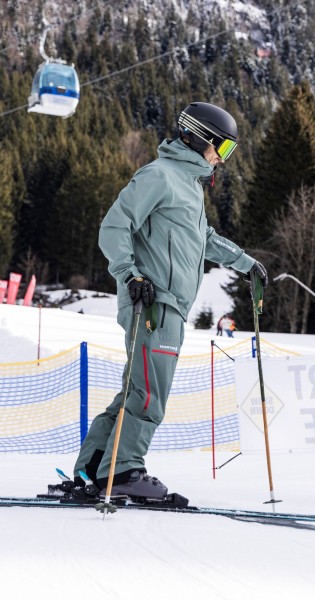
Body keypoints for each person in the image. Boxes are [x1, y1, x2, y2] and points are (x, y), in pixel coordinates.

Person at [69, 101, 267, 501]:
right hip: (153, 303)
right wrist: (130, 275)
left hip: (168, 306)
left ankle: (95, 469)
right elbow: (113, 226)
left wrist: (246, 263)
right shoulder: (160, 176)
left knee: (135, 390)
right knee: (149, 394)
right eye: (221, 148)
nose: (221, 158)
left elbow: (204, 239)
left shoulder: (189, 186)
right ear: (198, 138)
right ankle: (124, 472)